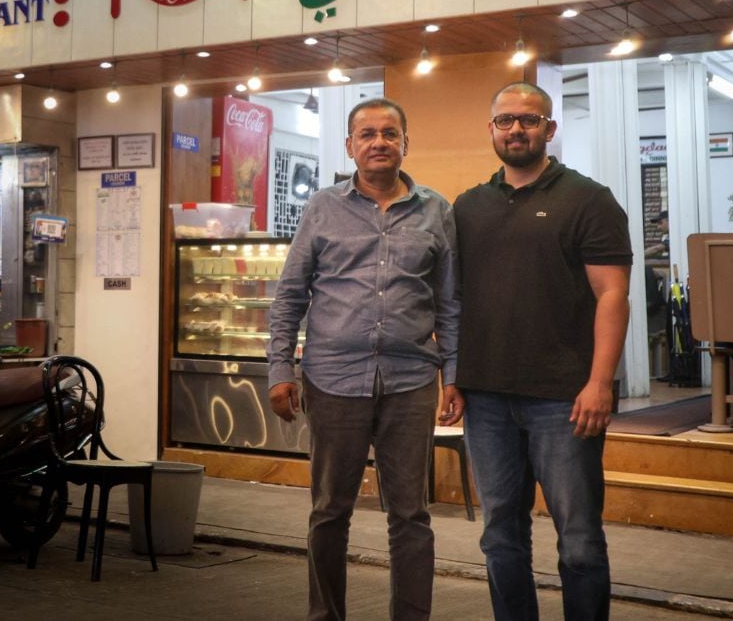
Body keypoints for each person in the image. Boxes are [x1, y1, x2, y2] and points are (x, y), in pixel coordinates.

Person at [267, 97, 464, 621]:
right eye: (368, 134)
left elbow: (450, 303)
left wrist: (453, 375)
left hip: (410, 381)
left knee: (411, 515)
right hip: (333, 380)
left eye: (389, 133)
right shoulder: (322, 208)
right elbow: (290, 295)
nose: (379, 142)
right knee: (330, 511)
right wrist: (280, 369)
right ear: (350, 145)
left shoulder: (437, 211)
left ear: (405, 143)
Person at [454, 82, 633, 621]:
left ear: (549, 129)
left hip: (565, 400)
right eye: (505, 120)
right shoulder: (468, 207)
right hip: (486, 399)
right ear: (491, 129)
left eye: (529, 120)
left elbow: (613, 294)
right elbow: (454, 300)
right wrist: (452, 378)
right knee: (500, 537)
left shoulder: (588, 199)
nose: (516, 130)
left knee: (579, 541)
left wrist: (599, 383)